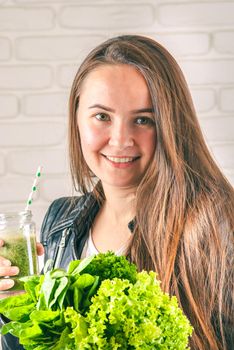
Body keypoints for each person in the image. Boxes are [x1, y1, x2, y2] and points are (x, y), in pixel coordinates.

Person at [0, 35, 233, 349]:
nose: (121, 139)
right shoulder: (62, 221)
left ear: (172, 126)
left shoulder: (213, 226)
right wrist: (12, 306)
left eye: (143, 120)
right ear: (77, 119)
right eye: (102, 117)